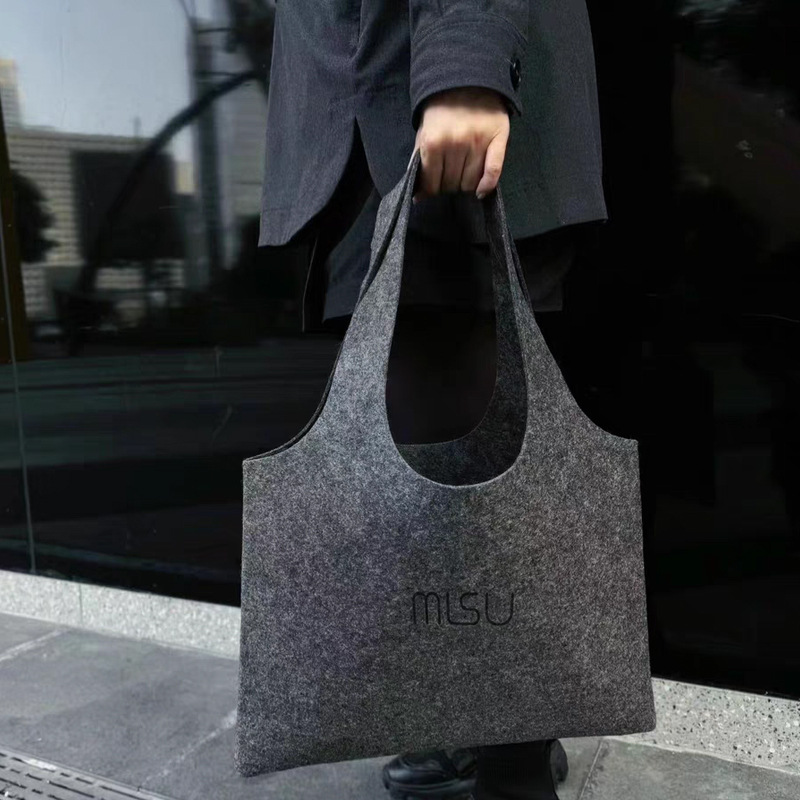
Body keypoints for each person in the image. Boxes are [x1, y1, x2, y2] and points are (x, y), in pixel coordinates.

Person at [256, 2, 608, 798]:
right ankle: (477, 727)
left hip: (442, 91)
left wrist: (466, 63)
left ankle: (513, 765)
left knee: (486, 454)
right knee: (425, 466)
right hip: (357, 118)